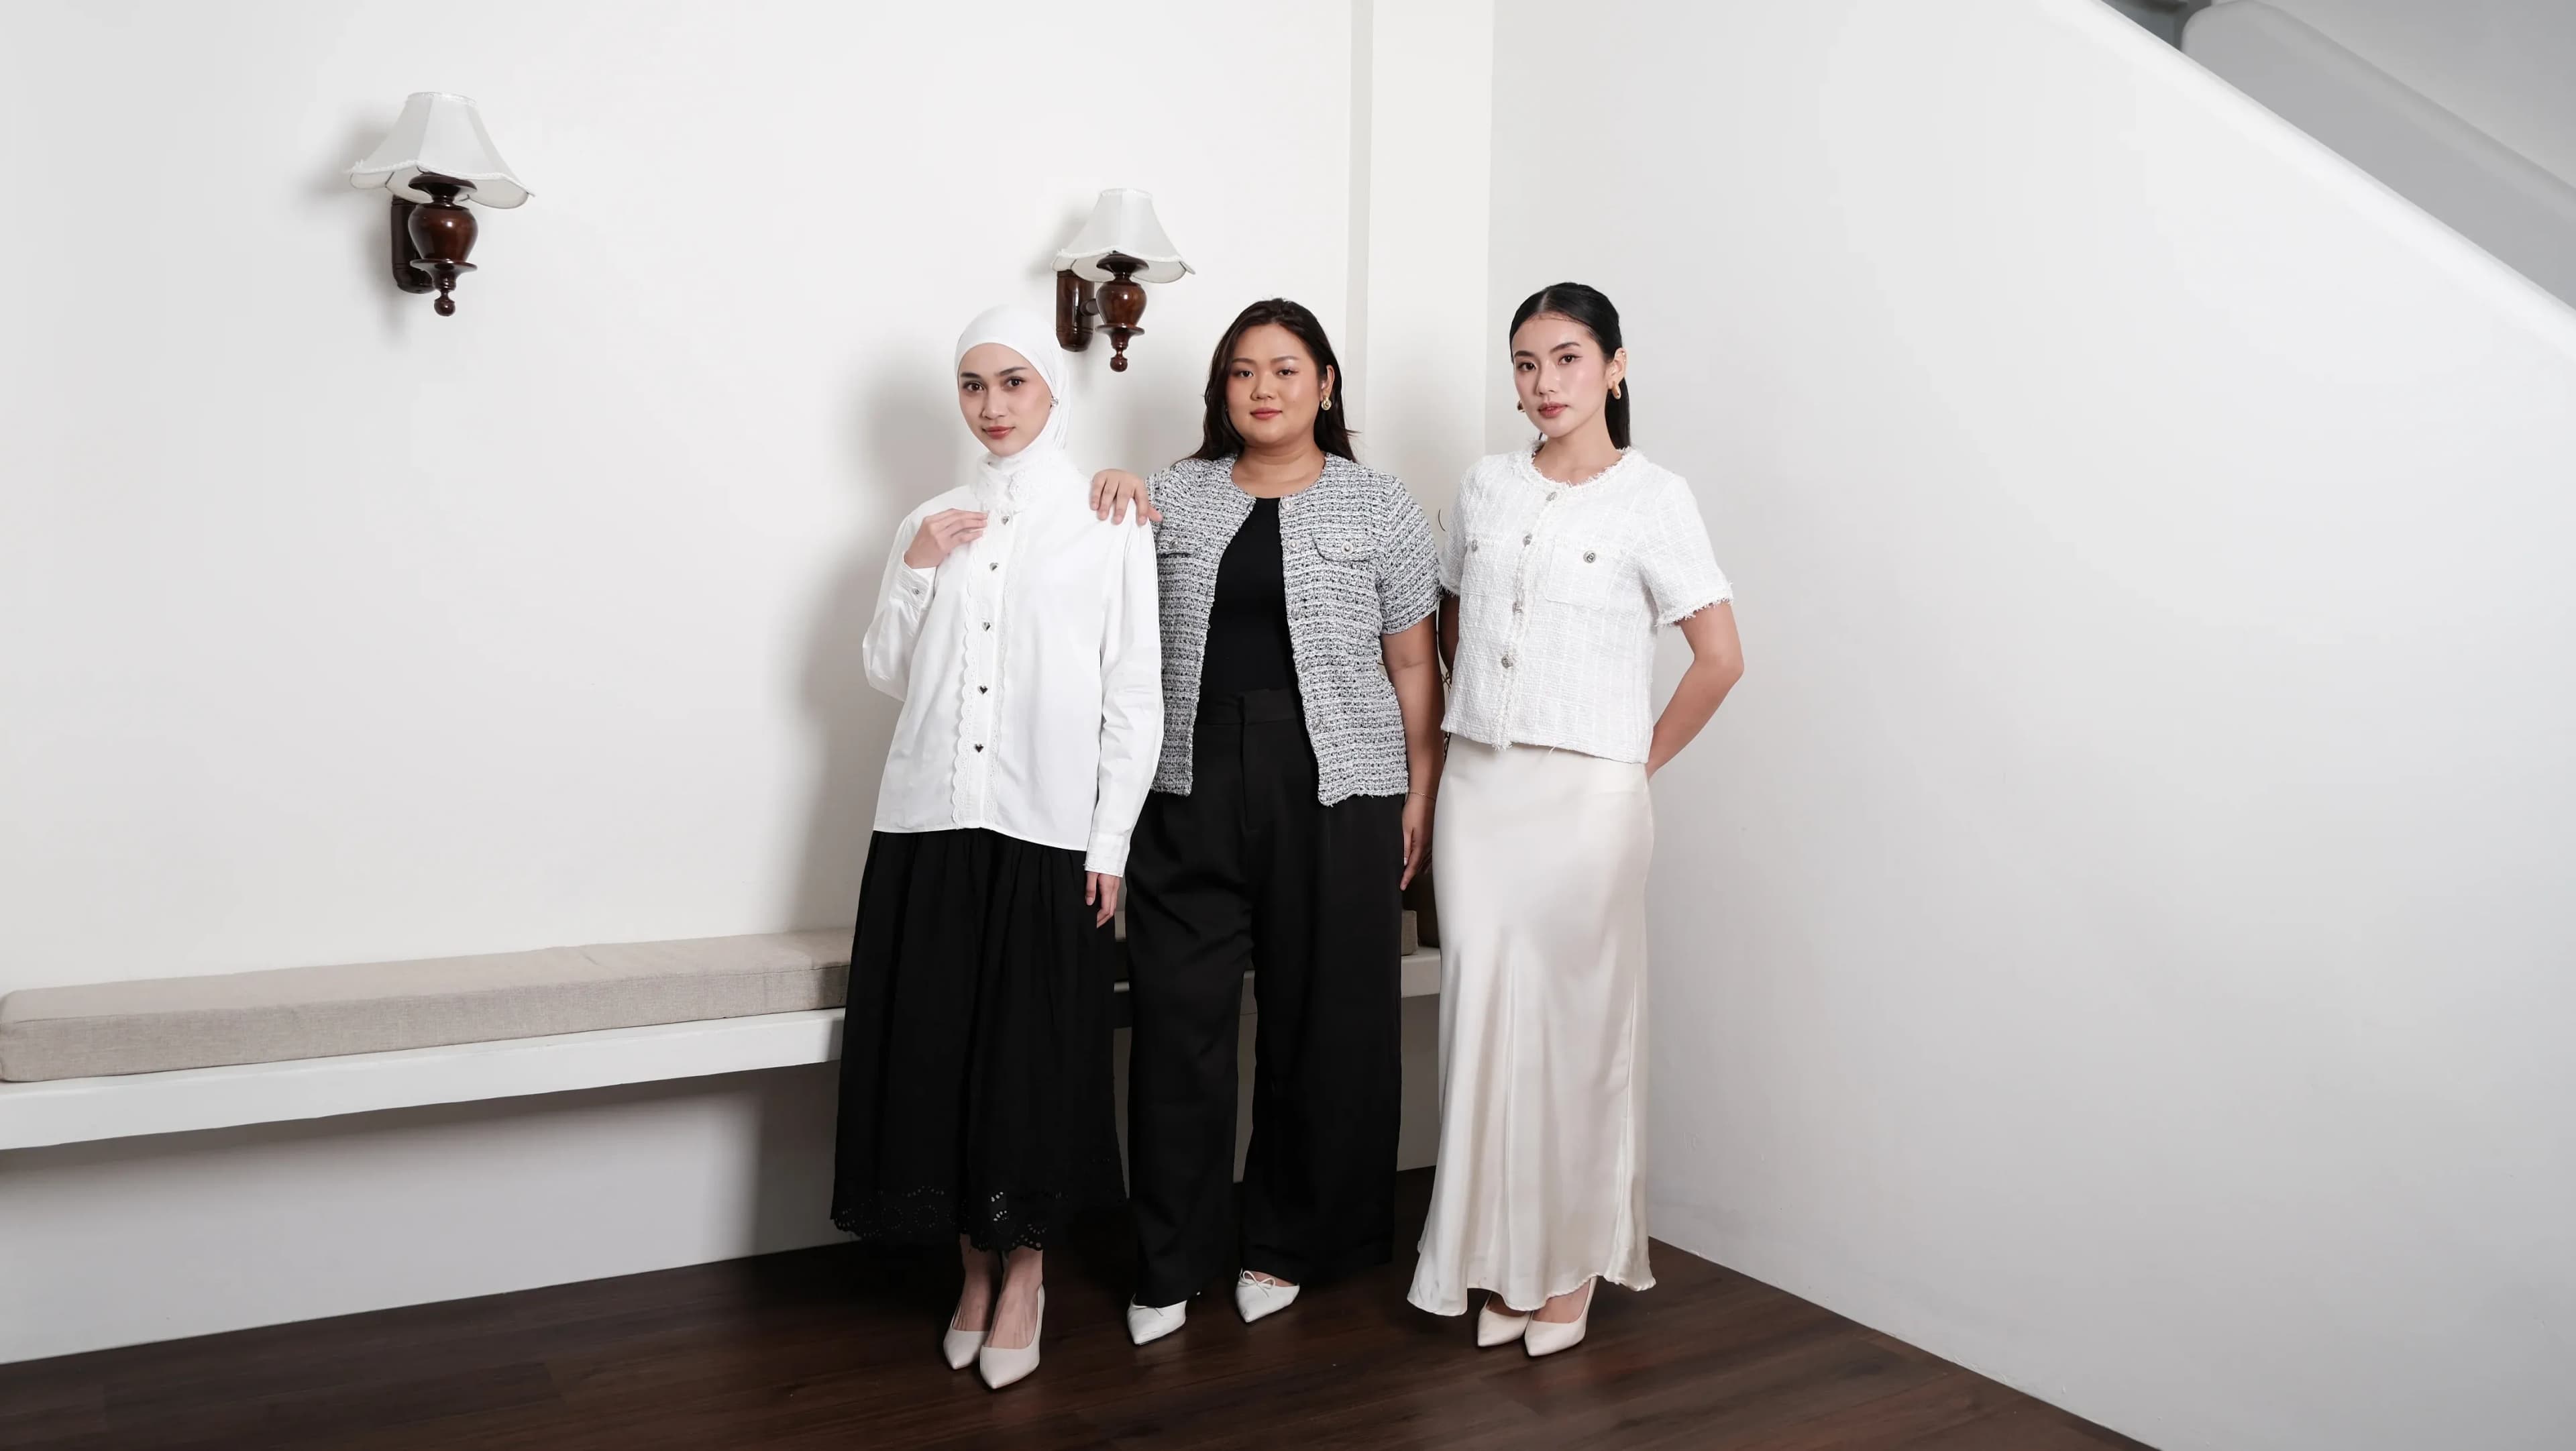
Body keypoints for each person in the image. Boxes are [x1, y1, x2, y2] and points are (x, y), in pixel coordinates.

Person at [1091, 299, 1445, 1346]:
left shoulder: (1381, 505)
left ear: (1325, 385)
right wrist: (1108, 491)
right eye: (1244, 371)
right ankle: (1172, 1258)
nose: (1264, 389)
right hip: (1186, 783)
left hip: (1339, 786)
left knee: (1323, 1024)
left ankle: (1284, 1245)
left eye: (1286, 370)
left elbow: (1414, 662)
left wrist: (1419, 790)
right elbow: (1102, 612)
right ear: (1222, 390)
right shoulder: (1171, 495)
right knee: (1177, 1026)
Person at [1407, 282, 1746, 1356]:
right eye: (1525, 362)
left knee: (1578, 1033)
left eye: (1566, 358)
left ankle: (1570, 1269)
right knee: (1483, 1023)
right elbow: (1452, 621)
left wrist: (1632, 763)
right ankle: (1500, 1260)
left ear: (1614, 366)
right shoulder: (1485, 486)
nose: (1544, 383)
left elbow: (1720, 658)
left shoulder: (1655, 498)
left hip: (1589, 800)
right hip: (1480, 789)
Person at [829, 303, 1162, 1391]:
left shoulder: (1108, 515)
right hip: (926, 823)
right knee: (937, 1053)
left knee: (1031, 1061)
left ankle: (1026, 1275)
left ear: (1054, 389)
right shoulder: (930, 518)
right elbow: (887, 670)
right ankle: (971, 1275)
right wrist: (918, 566)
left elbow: (1134, 695)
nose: (991, 406)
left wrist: (1109, 843)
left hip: (1047, 828)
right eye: (973, 385)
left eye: (1013, 382)